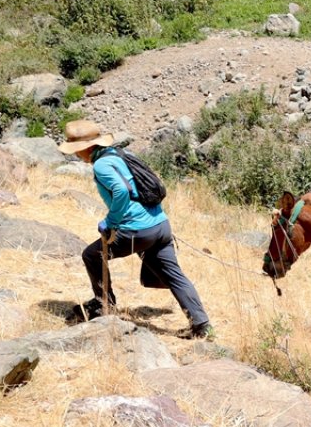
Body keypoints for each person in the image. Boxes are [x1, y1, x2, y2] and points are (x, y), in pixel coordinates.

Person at [59, 120, 213, 339]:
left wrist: (111, 222)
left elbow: (121, 191)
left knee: (91, 255)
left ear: (86, 147)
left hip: (137, 231)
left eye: (76, 150)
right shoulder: (120, 154)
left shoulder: (102, 165)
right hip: (160, 226)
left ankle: (104, 304)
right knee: (175, 276)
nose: (75, 155)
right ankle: (202, 325)